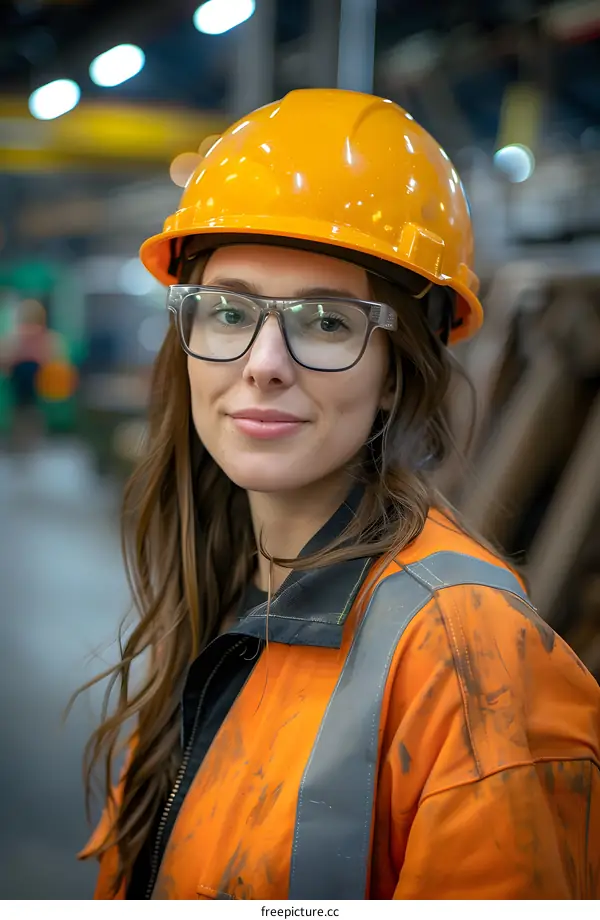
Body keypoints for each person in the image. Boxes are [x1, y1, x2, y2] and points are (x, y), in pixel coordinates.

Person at [78, 88, 600, 900]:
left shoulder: (473, 660)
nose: (264, 362)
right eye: (228, 311)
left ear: (397, 374)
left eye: (326, 322)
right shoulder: (223, 599)